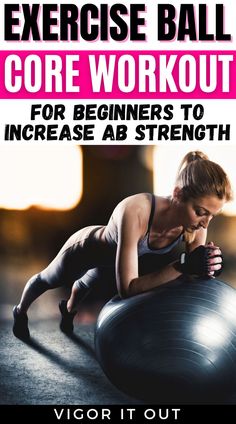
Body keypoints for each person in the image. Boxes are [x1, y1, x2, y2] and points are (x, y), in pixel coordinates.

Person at [13, 151, 232, 340]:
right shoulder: (136, 210)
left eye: (213, 215)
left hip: (110, 263)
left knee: (83, 286)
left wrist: (208, 267)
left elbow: (191, 277)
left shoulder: (195, 225)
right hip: (86, 248)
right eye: (201, 212)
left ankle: (68, 310)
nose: (205, 222)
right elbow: (127, 289)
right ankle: (20, 311)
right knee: (48, 279)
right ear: (177, 194)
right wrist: (183, 265)